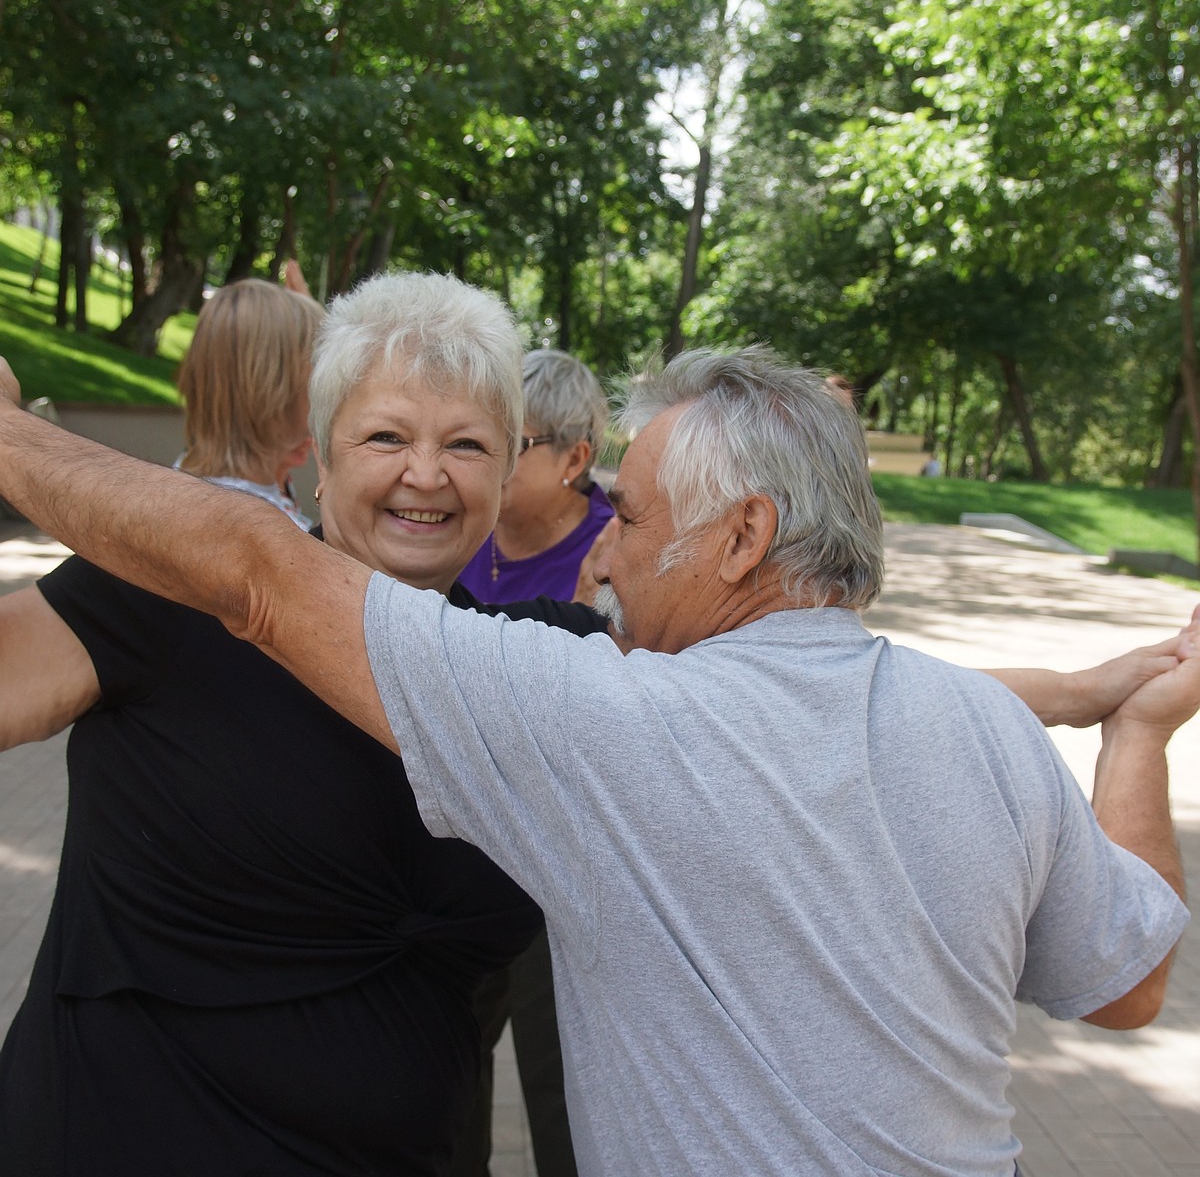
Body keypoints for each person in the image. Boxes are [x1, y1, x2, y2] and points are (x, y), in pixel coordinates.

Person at [0, 349, 1193, 1176]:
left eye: (626, 514)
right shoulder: (976, 725)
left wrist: (9, 436)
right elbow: (1132, 984)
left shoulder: (613, 723)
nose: (598, 554)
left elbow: (253, 568)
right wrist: (1134, 734)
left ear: (742, 538)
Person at [0, 272, 605, 1176]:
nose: (427, 474)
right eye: (387, 436)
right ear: (320, 458)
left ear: (507, 468)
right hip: (112, 1135)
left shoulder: (541, 663)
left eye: (469, 445)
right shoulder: (175, 593)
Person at [454, 348, 613, 1177]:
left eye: (506, 442)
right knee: (442, 1077)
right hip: (458, 848)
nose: (477, 458)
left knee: (566, 1105)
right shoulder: (457, 529)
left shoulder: (620, 548)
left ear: (575, 459)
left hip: (563, 865)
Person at [458, 348, 613, 605]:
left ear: (573, 460)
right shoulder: (461, 512)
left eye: (515, 444)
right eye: (484, 439)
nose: (490, 456)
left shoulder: (607, 555)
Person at [174, 277, 321, 526]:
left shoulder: (191, 472)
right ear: (272, 398)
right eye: (315, 379)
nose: (324, 395)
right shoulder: (268, 531)